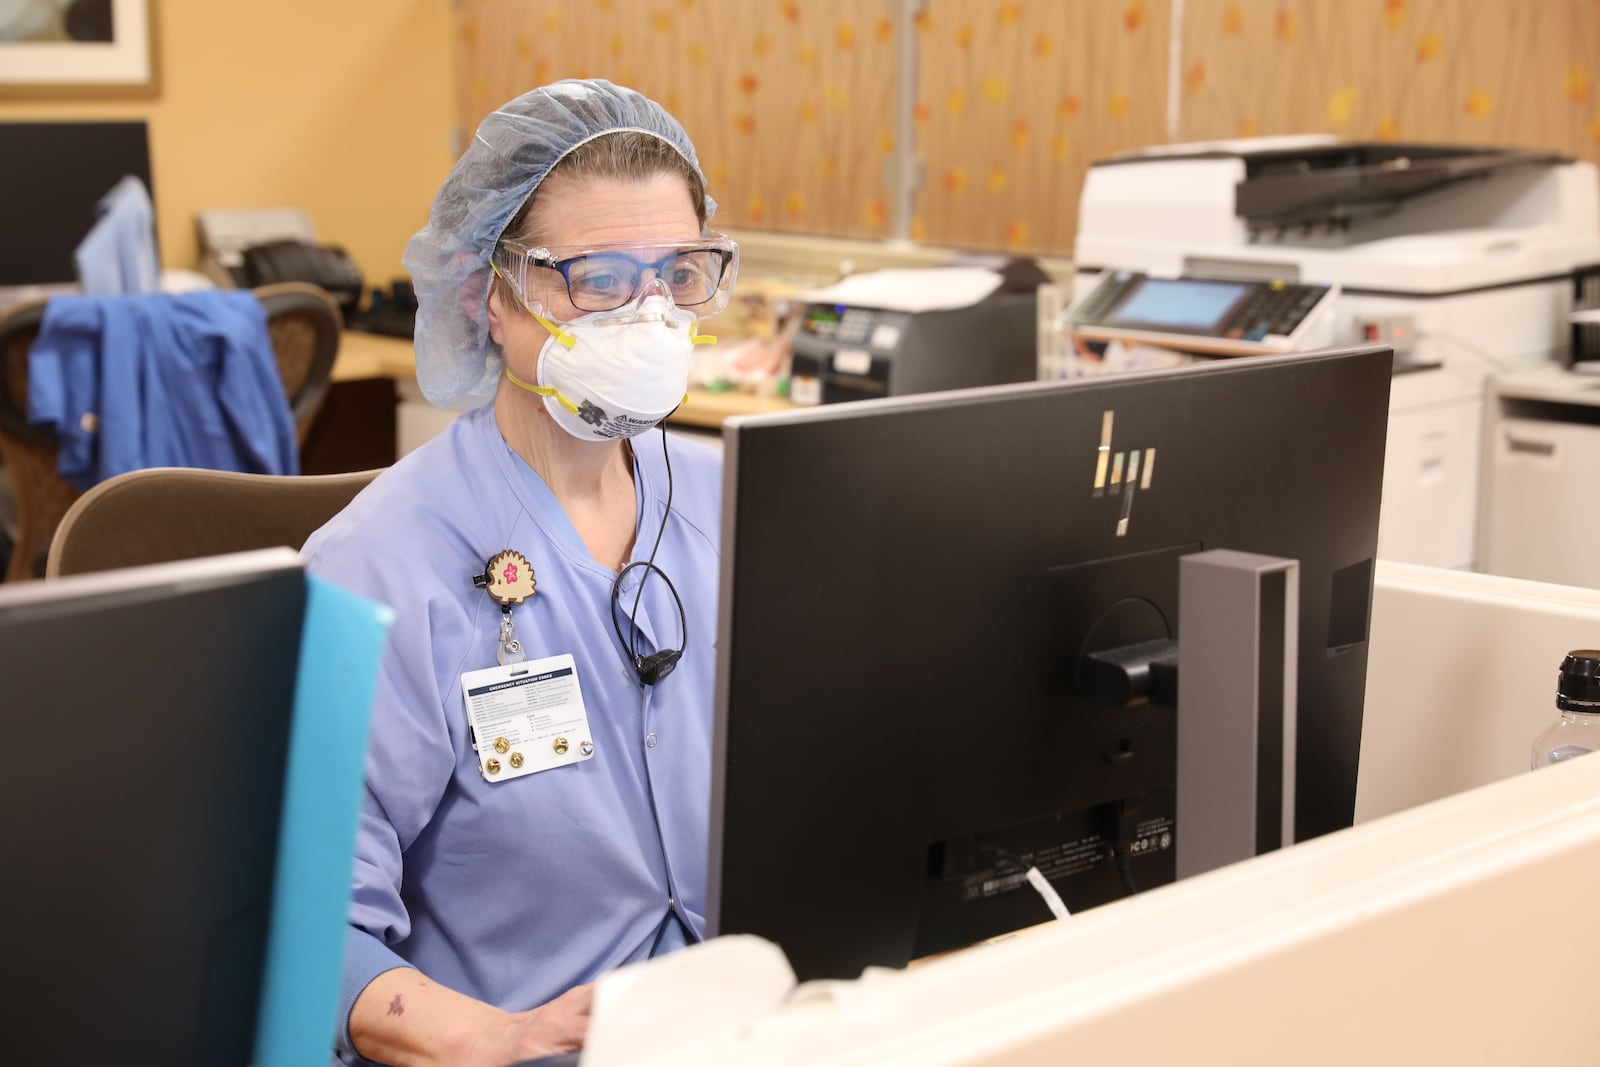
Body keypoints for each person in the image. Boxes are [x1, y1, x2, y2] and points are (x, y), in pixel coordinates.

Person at [301, 79, 740, 1066]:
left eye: (677, 272)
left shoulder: (739, 505)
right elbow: (306, 935)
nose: (648, 314)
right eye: (596, 278)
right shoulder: (377, 566)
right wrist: (494, 1035)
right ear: (484, 296)